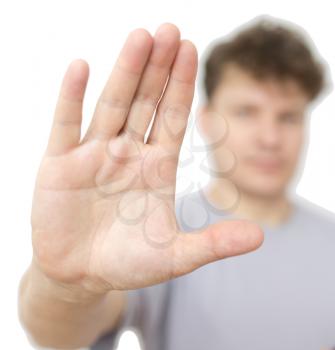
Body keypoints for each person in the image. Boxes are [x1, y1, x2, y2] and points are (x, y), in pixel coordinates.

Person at [17, 17, 335, 350]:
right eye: (246, 112)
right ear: (208, 120)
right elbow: (60, 335)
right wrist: (67, 287)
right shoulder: (157, 232)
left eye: (288, 117)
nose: (270, 138)